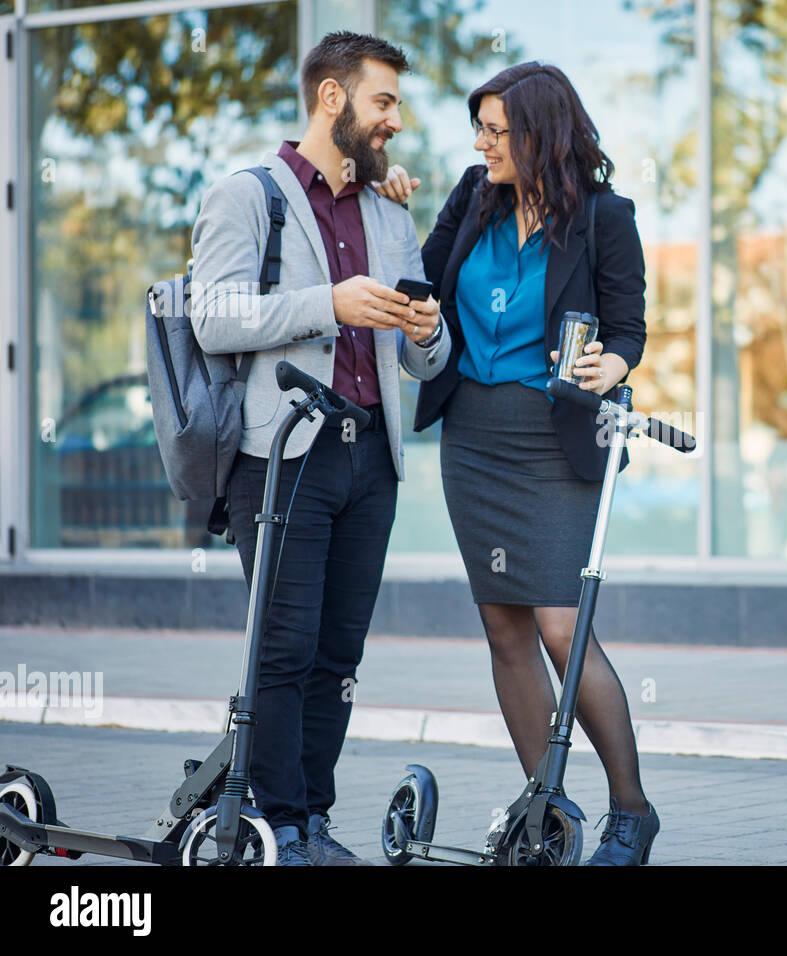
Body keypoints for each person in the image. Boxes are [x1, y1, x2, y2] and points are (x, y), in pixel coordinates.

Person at [374, 61, 657, 865]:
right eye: (481, 130)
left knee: (562, 626)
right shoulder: (472, 196)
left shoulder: (604, 218)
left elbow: (629, 324)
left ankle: (630, 813)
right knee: (503, 626)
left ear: (540, 135)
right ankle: (547, 811)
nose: (482, 144)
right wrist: (392, 213)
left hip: (554, 438)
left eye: (497, 131)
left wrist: (618, 365)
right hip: (474, 435)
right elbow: (418, 287)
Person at [190, 31, 448, 866]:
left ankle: (314, 821)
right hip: (280, 455)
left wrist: (429, 330)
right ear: (332, 99)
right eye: (384, 101)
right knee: (285, 646)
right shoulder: (246, 196)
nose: (395, 122)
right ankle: (280, 827)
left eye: (397, 105)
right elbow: (213, 315)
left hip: (369, 458)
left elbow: (422, 357)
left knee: (338, 653)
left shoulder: (389, 211)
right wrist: (326, 303)